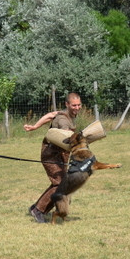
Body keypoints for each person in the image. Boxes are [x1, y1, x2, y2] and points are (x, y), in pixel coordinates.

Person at [24, 92, 82, 223]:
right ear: (67, 104)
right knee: (59, 183)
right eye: (74, 105)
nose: (77, 108)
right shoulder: (63, 121)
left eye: (79, 105)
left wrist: (35, 127)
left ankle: (37, 206)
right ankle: (38, 210)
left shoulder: (65, 113)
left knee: (60, 183)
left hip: (60, 154)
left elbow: (50, 115)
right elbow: (67, 136)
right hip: (51, 154)